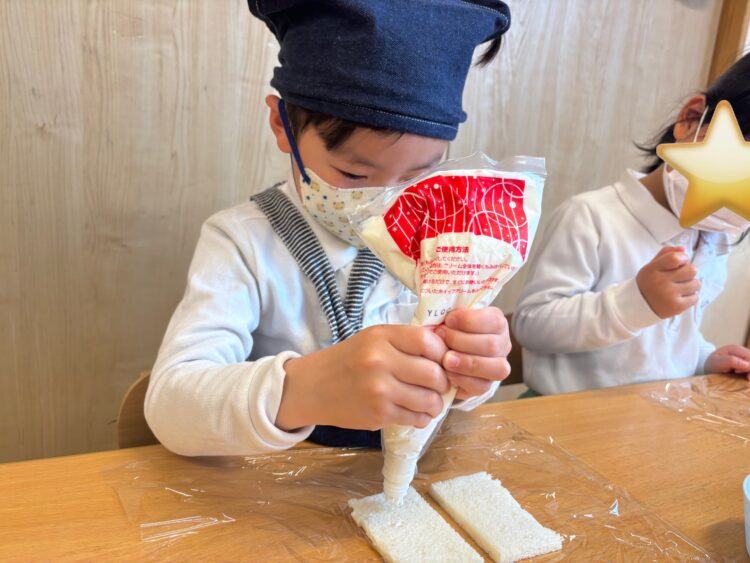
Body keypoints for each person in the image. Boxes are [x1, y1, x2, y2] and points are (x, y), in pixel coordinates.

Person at [145, 0, 515, 455]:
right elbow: (170, 406)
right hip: (279, 482)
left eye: (417, 177)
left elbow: (457, 386)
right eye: (354, 174)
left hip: (410, 473)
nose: (386, 203)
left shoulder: (445, 242)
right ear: (281, 124)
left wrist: (471, 372)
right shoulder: (241, 242)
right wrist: (304, 390)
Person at [512, 53, 750, 396]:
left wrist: (705, 359)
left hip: (652, 415)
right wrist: (637, 302)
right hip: (563, 412)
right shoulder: (590, 217)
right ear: (690, 119)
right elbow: (531, 325)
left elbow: (670, 340)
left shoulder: (714, 239)